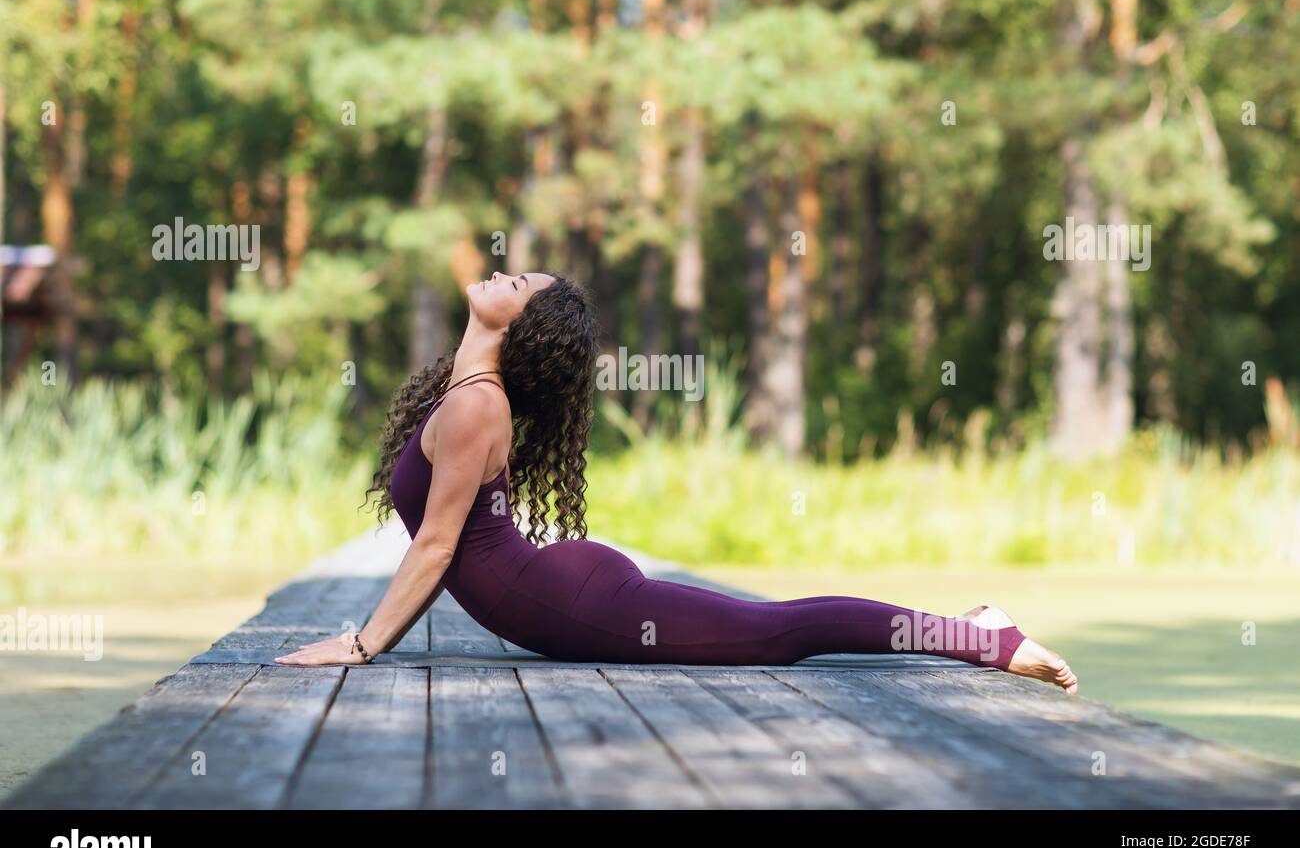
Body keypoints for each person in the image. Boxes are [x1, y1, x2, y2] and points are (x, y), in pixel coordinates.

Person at [276, 271, 1078, 693]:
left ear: (519, 330)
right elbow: (446, 542)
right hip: (565, 590)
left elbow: (439, 545)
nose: (502, 274)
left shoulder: (477, 407)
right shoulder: (468, 399)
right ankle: (973, 624)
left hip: (576, 603)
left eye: (518, 286)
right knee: (771, 632)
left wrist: (360, 643)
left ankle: (985, 639)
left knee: (778, 634)